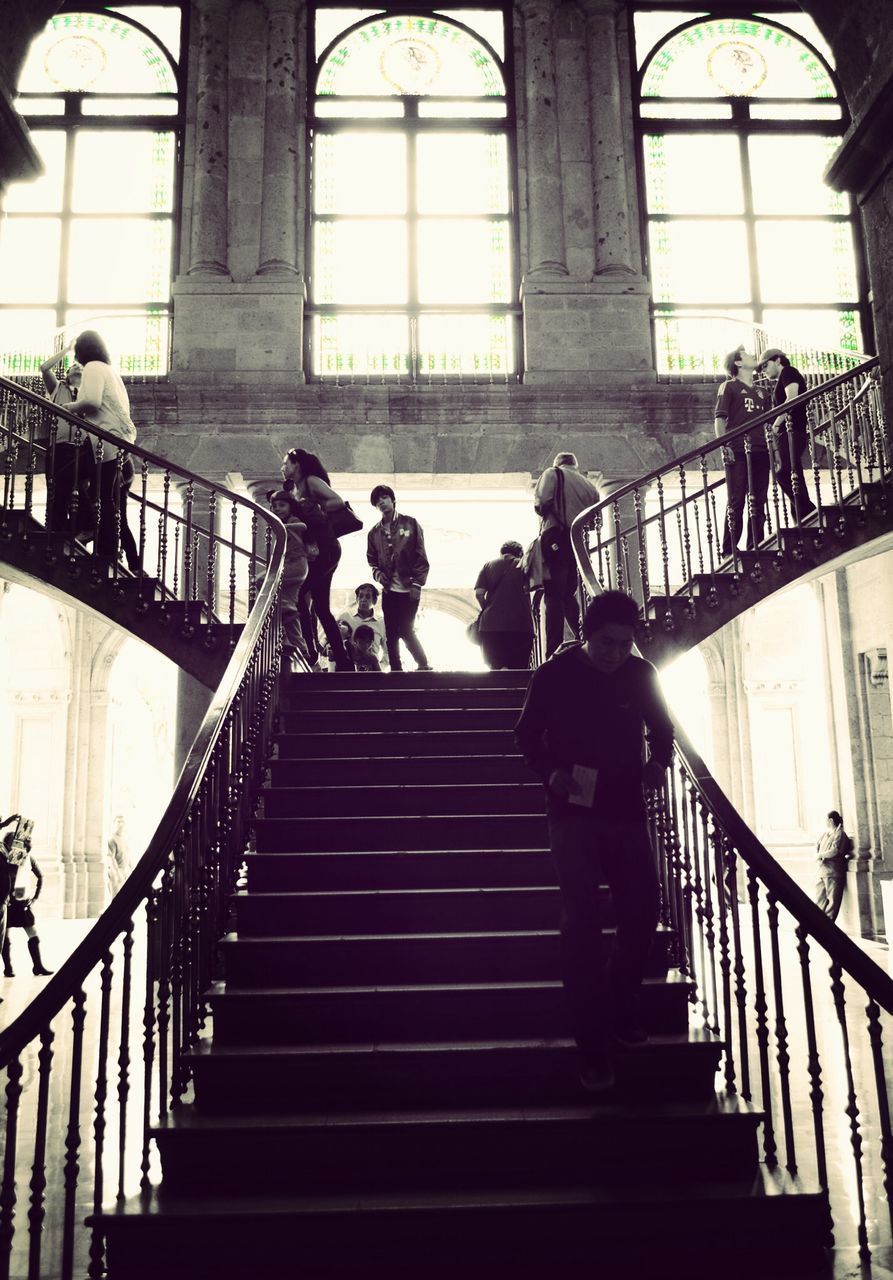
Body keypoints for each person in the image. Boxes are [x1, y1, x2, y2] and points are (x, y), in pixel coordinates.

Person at [514, 590, 674, 1093]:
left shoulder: (640, 674)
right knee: (582, 924)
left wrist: (659, 762)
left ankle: (623, 1008)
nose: (614, 653)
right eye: (606, 642)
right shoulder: (554, 675)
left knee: (642, 911)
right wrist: (551, 775)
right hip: (573, 814)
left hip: (625, 809)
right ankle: (592, 1046)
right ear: (587, 634)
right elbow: (525, 736)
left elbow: (663, 728)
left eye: (625, 644)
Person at [72, 330, 139, 568]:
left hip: (107, 439)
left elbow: (91, 402)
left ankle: (97, 541)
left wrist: (66, 408)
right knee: (107, 499)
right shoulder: (110, 370)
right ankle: (101, 542)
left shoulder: (92, 367)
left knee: (71, 477)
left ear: (82, 350)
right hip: (119, 439)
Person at [281, 448, 353, 670]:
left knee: (301, 595)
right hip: (318, 551)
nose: (282, 468)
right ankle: (343, 661)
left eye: (286, 463)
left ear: (297, 465)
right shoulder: (296, 488)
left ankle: (310, 652)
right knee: (321, 607)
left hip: (328, 549)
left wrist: (313, 507)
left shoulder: (311, 481)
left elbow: (337, 501)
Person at [533, 452, 599, 659]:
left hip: (556, 536)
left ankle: (552, 650)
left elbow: (541, 503)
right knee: (568, 595)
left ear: (558, 463)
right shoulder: (590, 486)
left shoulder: (553, 474)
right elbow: (596, 521)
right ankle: (585, 637)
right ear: (575, 465)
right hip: (577, 543)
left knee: (552, 595)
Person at [366, 484, 432, 672]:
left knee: (406, 630)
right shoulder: (374, 533)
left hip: (410, 588)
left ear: (393, 500)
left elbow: (421, 556)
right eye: (378, 501)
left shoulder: (410, 523)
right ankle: (396, 669)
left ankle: (423, 664)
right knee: (391, 633)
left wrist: (417, 584)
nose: (382, 502)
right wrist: (379, 576)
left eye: (385, 498)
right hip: (389, 590)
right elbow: (372, 561)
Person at [715, 346, 772, 557]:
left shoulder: (762, 391)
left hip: (760, 450)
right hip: (737, 449)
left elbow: (768, 423)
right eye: (746, 355)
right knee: (737, 499)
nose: (752, 357)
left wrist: (772, 448)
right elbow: (719, 418)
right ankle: (729, 549)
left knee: (759, 499)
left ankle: (755, 544)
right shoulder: (729, 386)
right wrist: (724, 445)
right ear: (738, 363)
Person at [39, 340, 94, 537]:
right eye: (74, 366)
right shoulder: (57, 388)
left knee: (77, 488)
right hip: (60, 447)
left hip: (83, 447)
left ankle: (84, 527)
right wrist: (68, 350)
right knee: (56, 490)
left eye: (81, 365)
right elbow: (44, 367)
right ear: (67, 374)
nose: (77, 366)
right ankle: (58, 531)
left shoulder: (90, 392)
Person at [758, 347, 817, 523]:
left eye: (765, 365)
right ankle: (802, 518)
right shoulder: (782, 378)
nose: (764, 370)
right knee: (793, 474)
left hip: (793, 431)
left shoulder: (789, 372)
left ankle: (808, 511)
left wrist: (776, 423)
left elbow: (791, 397)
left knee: (784, 472)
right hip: (789, 431)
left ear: (777, 360)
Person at [473, 540, 535, 670]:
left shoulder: (487, 566)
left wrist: (488, 608)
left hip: (491, 627)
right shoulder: (525, 564)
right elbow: (538, 588)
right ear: (520, 553)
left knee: (496, 671)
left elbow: (479, 594)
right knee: (519, 670)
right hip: (521, 625)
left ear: (502, 553)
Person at [267, 490, 312, 663]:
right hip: (290, 565)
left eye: (282, 505)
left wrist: (285, 527)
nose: (278, 509)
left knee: (261, 580)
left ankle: (278, 633)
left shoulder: (292, 521)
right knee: (288, 606)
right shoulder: (278, 525)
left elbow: (303, 526)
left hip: (297, 564)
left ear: (290, 507)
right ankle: (301, 647)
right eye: (275, 506)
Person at [1, 828, 52, 977]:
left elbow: (40, 877)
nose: (15, 846)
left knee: (33, 934)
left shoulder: (29, 858)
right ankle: (8, 968)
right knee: (5, 937)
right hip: (7, 903)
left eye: (18, 843)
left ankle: (38, 966)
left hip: (22, 903)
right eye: (12, 842)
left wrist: (35, 898)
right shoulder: (2, 859)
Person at [814, 810, 854, 922]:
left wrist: (821, 855)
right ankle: (817, 924)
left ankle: (827, 930)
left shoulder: (840, 834)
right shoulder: (825, 834)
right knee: (819, 901)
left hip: (833, 872)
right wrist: (818, 855)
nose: (825, 822)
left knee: (832, 903)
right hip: (822, 871)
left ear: (831, 820)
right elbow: (817, 845)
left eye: (826, 820)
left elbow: (835, 851)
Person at [338, 583, 388, 669]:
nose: (363, 599)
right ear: (356, 599)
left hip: (373, 673)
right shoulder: (345, 617)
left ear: (374, 601)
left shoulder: (382, 623)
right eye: (360, 596)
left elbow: (388, 652)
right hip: (348, 671)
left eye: (368, 597)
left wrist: (379, 669)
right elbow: (330, 642)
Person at [107, 814, 133, 899]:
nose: (121, 824)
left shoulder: (124, 838)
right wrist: (117, 874)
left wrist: (132, 869)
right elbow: (111, 858)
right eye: (118, 822)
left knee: (125, 898)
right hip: (116, 872)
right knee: (116, 899)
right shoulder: (112, 839)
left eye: (123, 822)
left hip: (124, 872)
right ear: (114, 824)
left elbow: (128, 855)